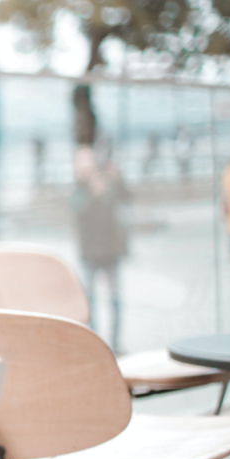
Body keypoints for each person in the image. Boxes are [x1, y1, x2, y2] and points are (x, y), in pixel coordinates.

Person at [70, 145, 128, 351]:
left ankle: (116, 343)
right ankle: (96, 345)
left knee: (115, 301)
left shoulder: (106, 181)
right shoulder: (77, 188)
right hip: (90, 254)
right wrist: (94, 193)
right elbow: (80, 213)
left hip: (111, 251)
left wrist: (116, 178)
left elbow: (125, 197)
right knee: (90, 303)